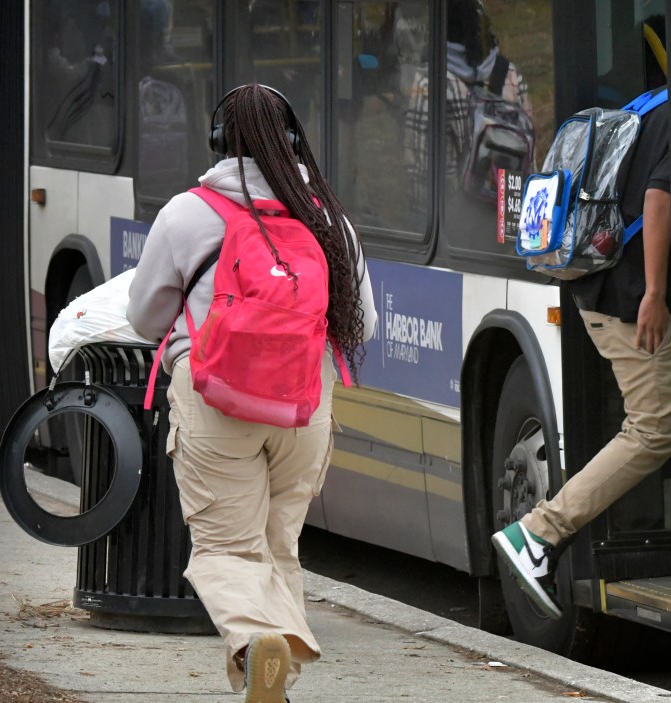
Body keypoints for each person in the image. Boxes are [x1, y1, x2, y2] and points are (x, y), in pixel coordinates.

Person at [127, 84, 376, 702]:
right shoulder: (329, 219)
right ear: (293, 142)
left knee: (225, 549)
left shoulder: (186, 214)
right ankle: (275, 688)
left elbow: (144, 318)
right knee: (278, 544)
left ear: (218, 141)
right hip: (303, 403)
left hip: (215, 399)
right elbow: (364, 325)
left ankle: (258, 639)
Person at [491, 20, 671, 619]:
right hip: (627, 301)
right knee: (654, 429)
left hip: (600, 291)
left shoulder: (645, 109)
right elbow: (659, 200)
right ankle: (538, 533)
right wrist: (654, 293)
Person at [404, 0, 532, 209]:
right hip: (508, 216)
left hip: (458, 222)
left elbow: (424, 185)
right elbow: (529, 162)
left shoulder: (432, 83)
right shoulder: (510, 73)